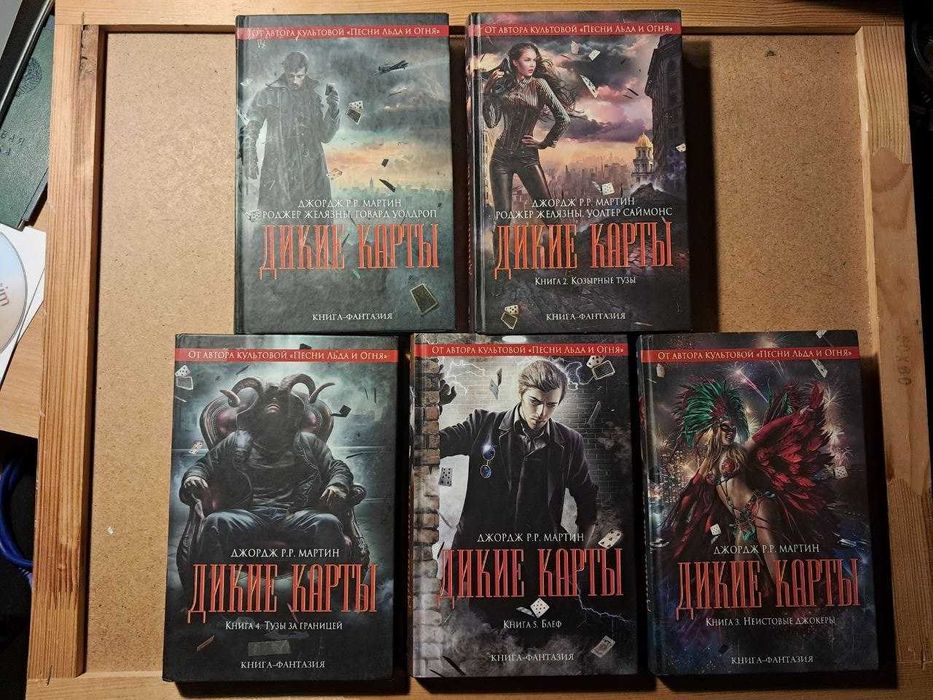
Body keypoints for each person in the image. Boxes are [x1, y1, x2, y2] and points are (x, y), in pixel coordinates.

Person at [179, 374, 352, 564]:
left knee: (328, 523)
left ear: (290, 412)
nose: (274, 402)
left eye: (280, 401)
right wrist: (194, 476)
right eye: (267, 400)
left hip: (295, 515)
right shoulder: (236, 440)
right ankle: (213, 582)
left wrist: (338, 485)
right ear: (255, 412)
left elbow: (337, 467)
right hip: (248, 515)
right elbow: (204, 465)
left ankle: (328, 583)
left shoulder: (309, 442)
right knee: (216, 521)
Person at [439, 359, 598, 549]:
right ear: (520, 393)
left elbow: (587, 499)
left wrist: (579, 551)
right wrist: (433, 407)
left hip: (537, 556)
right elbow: (436, 444)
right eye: (534, 402)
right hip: (477, 552)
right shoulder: (482, 424)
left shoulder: (571, 441)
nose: (541, 412)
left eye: (551, 404)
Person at [482, 42, 573, 227]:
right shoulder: (502, 86)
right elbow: (491, 122)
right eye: (527, 60)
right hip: (500, 158)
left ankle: (566, 247)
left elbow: (563, 118)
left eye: (534, 60)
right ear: (515, 62)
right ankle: (500, 249)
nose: (532, 64)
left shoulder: (539, 85)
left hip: (527, 157)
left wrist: (544, 143)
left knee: (549, 214)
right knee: (503, 218)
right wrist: (488, 91)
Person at [241, 51, 340, 215]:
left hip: (311, 171)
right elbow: (251, 126)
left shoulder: (312, 97)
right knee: (278, 221)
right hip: (279, 169)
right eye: (291, 76)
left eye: (299, 76)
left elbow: (325, 136)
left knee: (313, 222)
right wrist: (249, 155)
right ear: (285, 71)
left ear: (305, 73)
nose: (295, 80)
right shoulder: (268, 94)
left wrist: (333, 110)